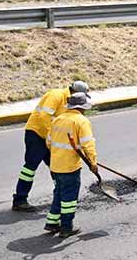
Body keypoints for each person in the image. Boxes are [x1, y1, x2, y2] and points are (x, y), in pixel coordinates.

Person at [12, 80, 89, 212]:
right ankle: (20, 199)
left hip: (49, 137)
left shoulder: (70, 104)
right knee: (30, 168)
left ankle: (60, 197)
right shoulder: (56, 95)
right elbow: (43, 117)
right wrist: (52, 137)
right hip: (36, 133)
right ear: (74, 92)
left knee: (56, 167)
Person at [44, 92, 98, 238]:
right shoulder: (81, 121)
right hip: (69, 168)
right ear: (82, 107)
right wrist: (93, 162)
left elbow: (49, 142)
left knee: (59, 193)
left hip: (55, 165)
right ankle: (66, 228)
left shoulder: (57, 119)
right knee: (69, 198)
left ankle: (52, 222)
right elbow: (88, 145)